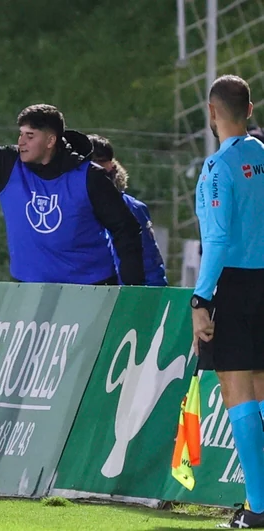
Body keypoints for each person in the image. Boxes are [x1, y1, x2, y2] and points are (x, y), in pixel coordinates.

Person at [0, 74, 145, 285]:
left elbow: (126, 230)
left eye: (30, 136)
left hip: (89, 291)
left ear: (50, 140)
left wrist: (132, 289)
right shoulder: (8, 167)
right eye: (20, 134)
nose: (21, 142)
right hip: (29, 292)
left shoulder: (90, 177)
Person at [190, 74, 264, 529]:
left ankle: (257, 508)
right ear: (250, 110)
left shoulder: (218, 167)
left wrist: (200, 299)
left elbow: (215, 239)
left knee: (238, 395)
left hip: (234, 286)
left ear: (212, 112)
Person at [88, 134, 168, 286]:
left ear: (111, 166)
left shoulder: (133, 208)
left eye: (99, 162)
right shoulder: (63, 206)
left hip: (124, 297)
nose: (94, 169)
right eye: (89, 163)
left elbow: (150, 263)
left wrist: (151, 301)